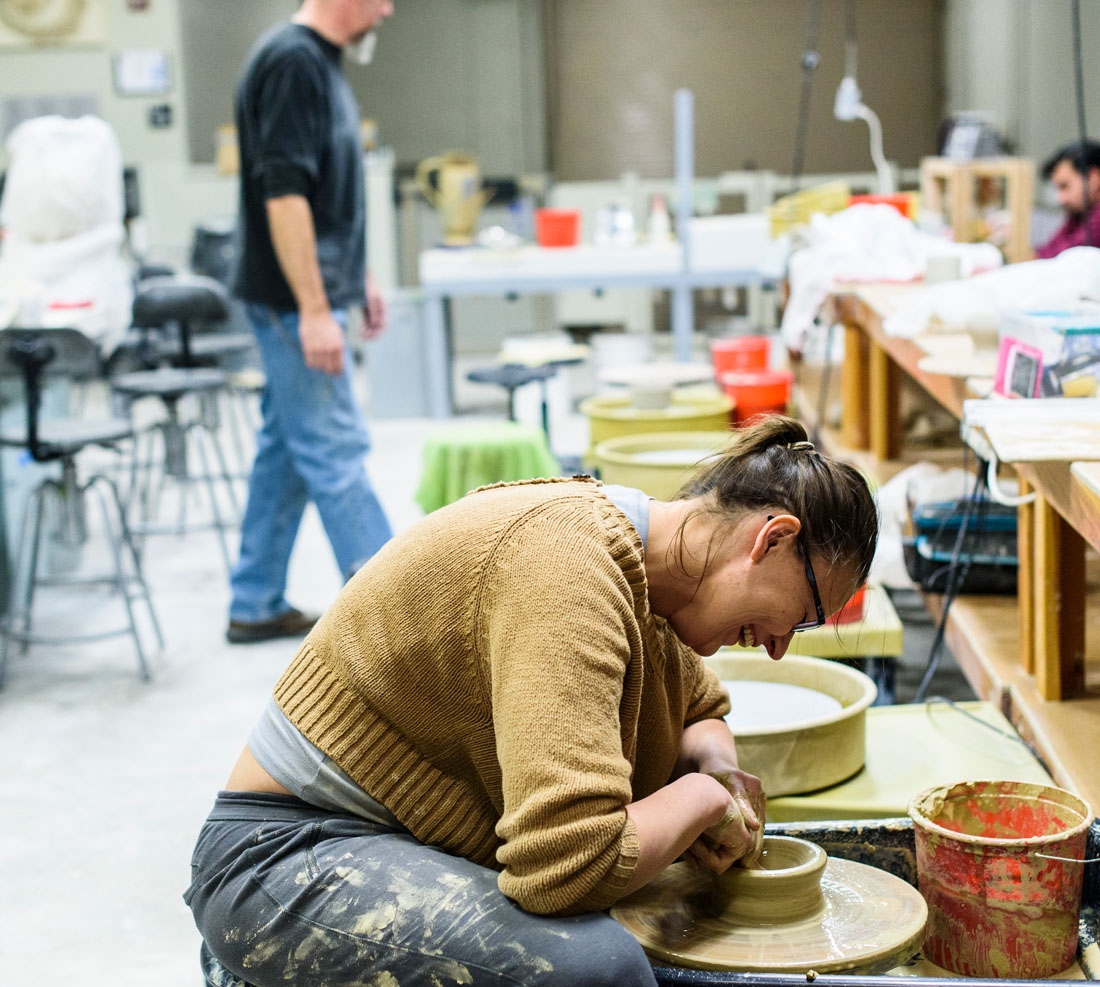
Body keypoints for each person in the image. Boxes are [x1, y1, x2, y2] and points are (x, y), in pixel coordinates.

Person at [185, 415, 879, 986]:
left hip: (394, 835)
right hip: (285, 854)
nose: (784, 645)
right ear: (773, 539)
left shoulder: (657, 572)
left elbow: (700, 707)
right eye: (810, 612)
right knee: (597, 971)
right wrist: (701, 797)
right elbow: (565, 868)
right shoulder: (566, 566)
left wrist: (718, 769)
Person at [225, 0, 395, 645]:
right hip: (293, 302)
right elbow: (284, 193)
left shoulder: (319, 62)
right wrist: (316, 309)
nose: (387, 8)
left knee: (287, 453)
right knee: (336, 449)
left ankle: (254, 600)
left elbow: (329, 195)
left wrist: (359, 280)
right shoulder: (293, 61)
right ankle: (399, 620)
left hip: (311, 295)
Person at [1035, 140, 1100, 259]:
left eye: (1064, 186)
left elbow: (1057, 257)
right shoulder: (1079, 214)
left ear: (1093, 178)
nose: (1061, 199)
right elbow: (1047, 251)